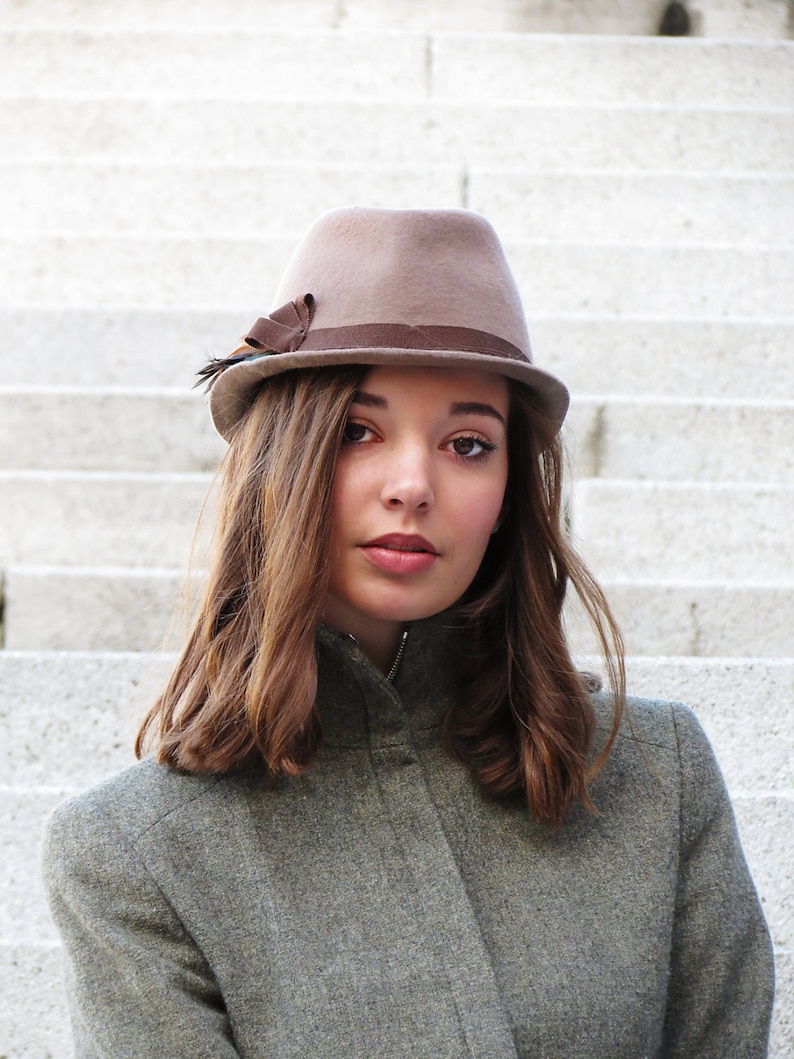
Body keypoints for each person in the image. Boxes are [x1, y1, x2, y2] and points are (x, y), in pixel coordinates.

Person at [42, 207, 774, 1058]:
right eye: (358, 431)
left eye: (468, 443)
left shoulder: (658, 774)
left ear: (509, 494)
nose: (412, 484)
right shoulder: (134, 855)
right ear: (282, 459)